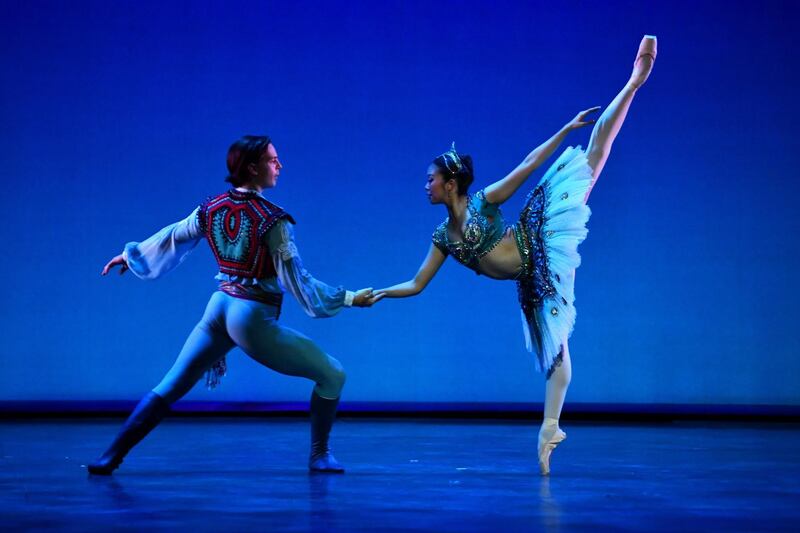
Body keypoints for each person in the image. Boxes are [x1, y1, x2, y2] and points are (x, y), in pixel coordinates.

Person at [375, 36, 657, 475]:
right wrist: (376, 293)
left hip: (538, 238)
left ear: (450, 183)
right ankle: (549, 428)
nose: (424, 185)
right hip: (528, 280)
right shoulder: (442, 237)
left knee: (592, 157)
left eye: (430, 178)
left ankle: (634, 82)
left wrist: (565, 129)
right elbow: (415, 284)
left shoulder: (483, 202)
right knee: (556, 353)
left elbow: (527, 165)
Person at [89, 135, 377, 475]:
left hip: (219, 307)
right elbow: (297, 279)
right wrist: (348, 298)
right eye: (273, 160)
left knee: (170, 385)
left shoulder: (211, 208)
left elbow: (174, 235)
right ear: (253, 169)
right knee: (333, 374)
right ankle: (320, 455)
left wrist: (131, 255)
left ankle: (110, 456)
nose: (279, 166)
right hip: (250, 315)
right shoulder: (274, 220)